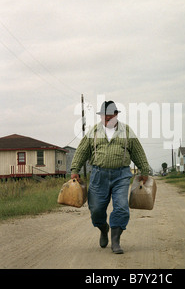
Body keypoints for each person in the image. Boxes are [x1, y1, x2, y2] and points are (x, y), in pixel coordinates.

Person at [70, 100, 150, 254]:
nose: (106, 119)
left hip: (121, 175)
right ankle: (103, 228)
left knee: (121, 207)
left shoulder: (127, 131)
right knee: (96, 209)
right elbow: (81, 151)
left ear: (116, 115)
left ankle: (115, 241)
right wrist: (75, 169)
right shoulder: (93, 132)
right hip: (99, 175)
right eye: (103, 116)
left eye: (109, 116)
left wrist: (144, 171)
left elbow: (138, 152)